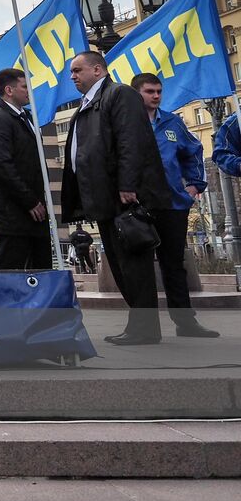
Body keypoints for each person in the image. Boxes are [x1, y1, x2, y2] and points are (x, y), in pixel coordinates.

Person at [61, 51, 173, 345]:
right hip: (103, 198)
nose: (72, 76)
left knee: (134, 264)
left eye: (77, 70)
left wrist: (128, 183)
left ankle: (145, 329)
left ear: (98, 70)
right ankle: (139, 325)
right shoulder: (88, 105)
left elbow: (130, 140)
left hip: (122, 197)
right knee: (122, 265)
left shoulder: (119, 94)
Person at [132, 73, 218, 338]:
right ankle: (142, 326)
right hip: (139, 205)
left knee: (174, 263)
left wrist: (194, 185)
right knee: (138, 266)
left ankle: (185, 322)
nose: (156, 96)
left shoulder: (172, 122)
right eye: (150, 91)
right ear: (137, 94)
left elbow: (193, 151)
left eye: (159, 91)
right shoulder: (126, 124)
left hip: (172, 204)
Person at [0, 68, 53, 271]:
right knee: (9, 271)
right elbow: (1, 166)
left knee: (40, 269)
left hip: (32, 212)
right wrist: (29, 200)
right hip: (14, 214)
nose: (30, 90)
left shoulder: (24, 117)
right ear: (9, 90)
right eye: (24, 86)